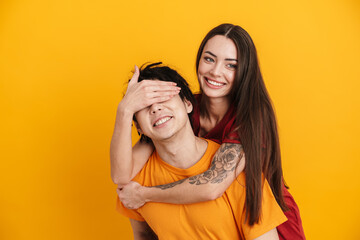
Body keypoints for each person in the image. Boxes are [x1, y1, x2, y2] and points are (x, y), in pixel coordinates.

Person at [111, 24, 305, 239]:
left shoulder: (250, 117)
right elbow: (122, 176)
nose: (215, 71)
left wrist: (143, 194)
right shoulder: (175, 113)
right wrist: (125, 109)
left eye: (231, 65)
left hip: (264, 216)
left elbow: (213, 186)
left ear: (245, 71)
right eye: (209, 59)